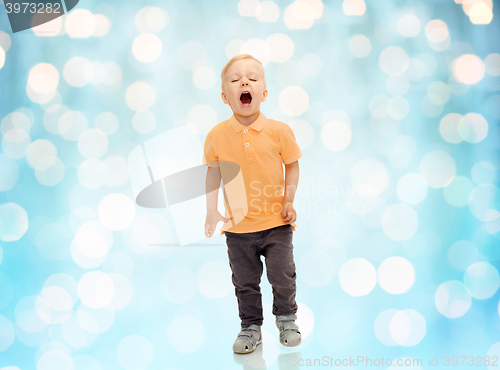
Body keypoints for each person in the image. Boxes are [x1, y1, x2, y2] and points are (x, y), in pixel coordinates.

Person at [202, 54, 303, 354]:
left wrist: (289, 200)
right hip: (237, 228)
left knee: (282, 275)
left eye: (252, 78)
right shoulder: (217, 136)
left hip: (276, 224)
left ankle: (287, 319)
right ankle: (250, 327)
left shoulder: (279, 131)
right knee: (245, 283)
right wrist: (210, 210)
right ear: (225, 96)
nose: (244, 82)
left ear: (264, 93)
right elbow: (212, 174)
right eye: (235, 80)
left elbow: (293, 165)